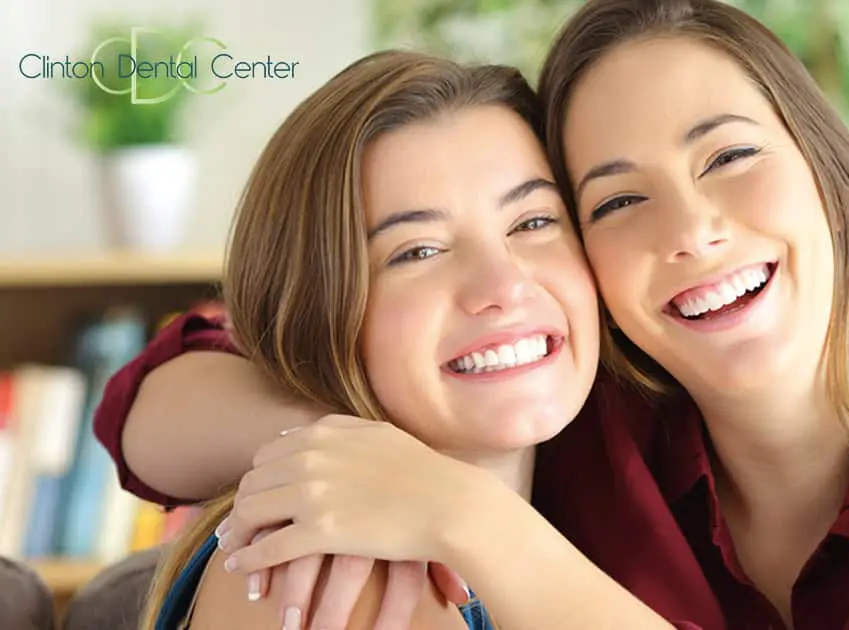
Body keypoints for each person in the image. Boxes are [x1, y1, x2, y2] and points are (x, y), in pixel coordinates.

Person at [100, 1, 849, 629]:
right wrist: (361, 446)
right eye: (613, 201)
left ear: (831, 174)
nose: (691, 230)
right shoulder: (564, 422)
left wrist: (463, 513)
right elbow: (151, 396)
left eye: (729, 155)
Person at [132, 48, 685, 630]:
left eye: (532, 222)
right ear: (319, 312)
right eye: (418, 251)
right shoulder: (343, 578)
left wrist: (473, 517)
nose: (503, 286)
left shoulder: (598, 476)